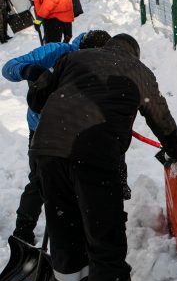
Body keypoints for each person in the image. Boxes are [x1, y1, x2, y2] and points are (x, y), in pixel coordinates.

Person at [27, 33, 177, 281]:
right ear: (133, 55)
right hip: (94, 156)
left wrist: (42, 80)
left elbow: (36, 97)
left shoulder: (72, 59)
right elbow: (161, 118)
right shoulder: (138, 72)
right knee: (104, 239)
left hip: (47, 152)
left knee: (65, 233)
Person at [1, 30, 112, 246]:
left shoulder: (105, 63)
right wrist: (28, 70)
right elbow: (8, 68)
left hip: (77, 128)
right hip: (42, 127)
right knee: (40, 179)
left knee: (79, 180)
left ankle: (77, 231)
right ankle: (23, 229)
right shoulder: (55, 52)